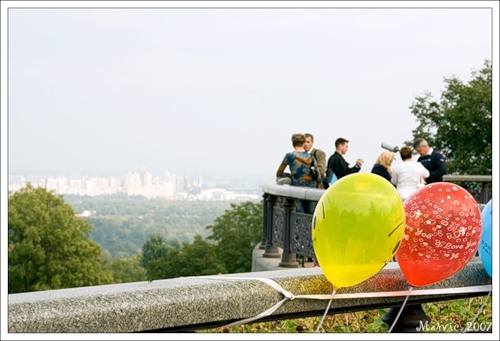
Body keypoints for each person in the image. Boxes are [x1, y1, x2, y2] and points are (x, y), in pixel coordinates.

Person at [276, 133, 317, 213]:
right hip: (311, 188)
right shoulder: (311, 157)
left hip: (297, 187)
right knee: (311, 214)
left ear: (292, 144)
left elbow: (279, 172)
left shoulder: (289, 156)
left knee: (299, 213)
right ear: (303, 143)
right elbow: (317, 173)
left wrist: (289, 176)